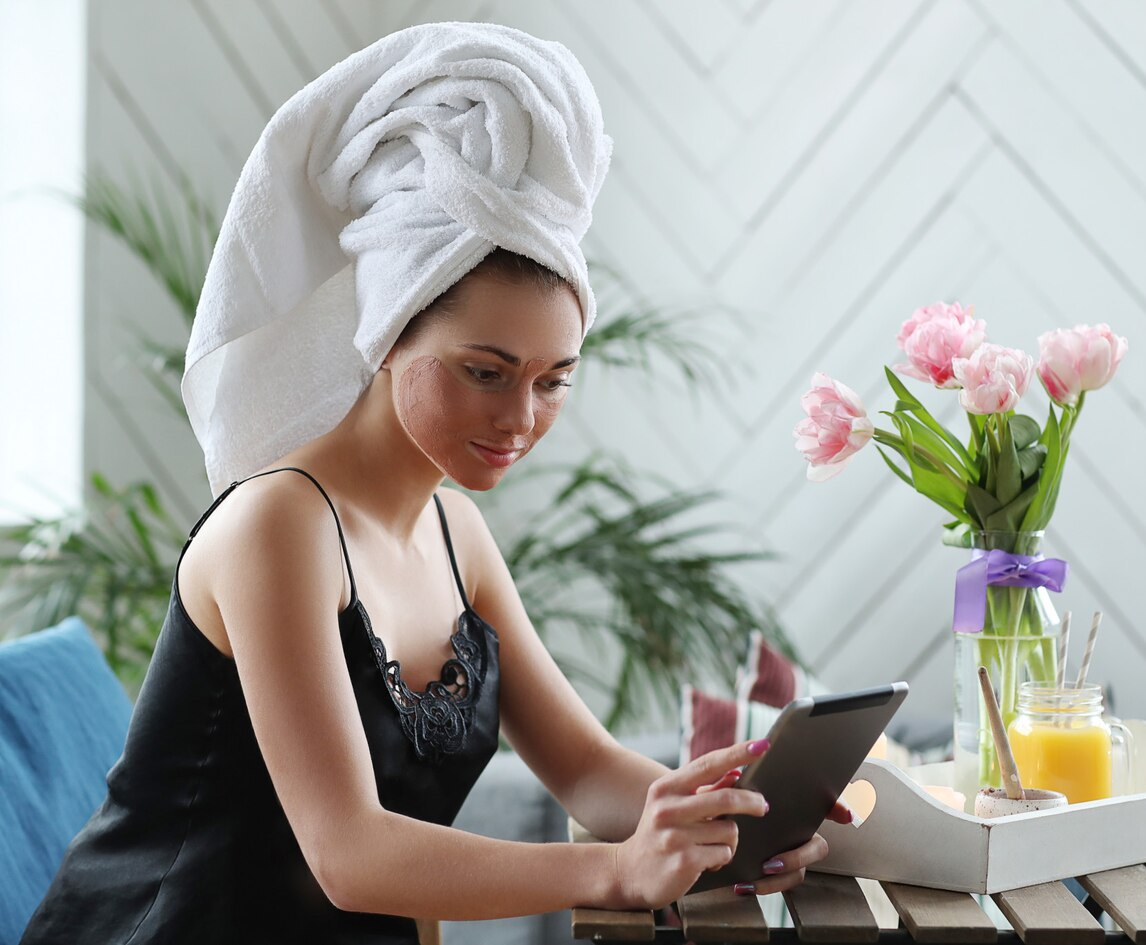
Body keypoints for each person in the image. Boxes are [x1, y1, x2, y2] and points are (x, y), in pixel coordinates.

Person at [19, 21, 849, 945]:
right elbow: (350, 854)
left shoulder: (457, 533)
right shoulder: (277, 525)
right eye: (484, 371)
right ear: (388, 335)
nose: (520, 418)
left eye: (553, 380)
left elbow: (582, 768)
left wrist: (727, 813)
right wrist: (616, 866)